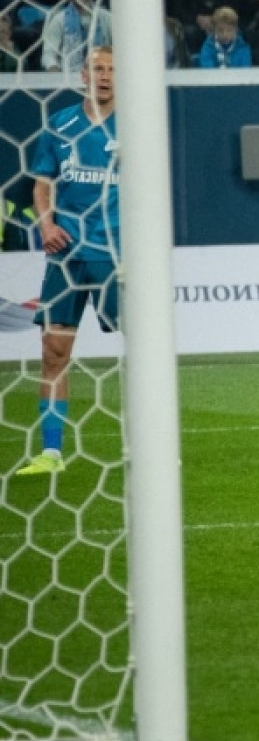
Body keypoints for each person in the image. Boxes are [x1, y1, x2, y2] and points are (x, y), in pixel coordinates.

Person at [17, 48, 117, 476]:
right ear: (83, 76)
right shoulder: (59, 125)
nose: (106, 76)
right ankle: (51, 453)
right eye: (98, 69)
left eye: (113, 70)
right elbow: (41, 186)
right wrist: (47, 224)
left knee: (143, 348)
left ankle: (155, 443)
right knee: (53, 351)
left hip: (117, 257)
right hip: (67, 256)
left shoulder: (136, 125)